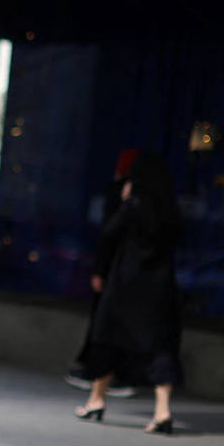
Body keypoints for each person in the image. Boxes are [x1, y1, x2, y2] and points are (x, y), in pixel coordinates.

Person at [72, 152, 183, 435]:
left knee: (108, 338)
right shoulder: (170, 210)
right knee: (160, 346)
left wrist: (124, 202)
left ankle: (96, 399)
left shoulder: (133, 205)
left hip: (125, 284)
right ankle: (162, 410)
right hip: (159, 287)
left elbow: (109, 232)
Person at [65, 148, 139, 398]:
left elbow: (110, 234)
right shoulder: (139, 198)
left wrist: (100, 269)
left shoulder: (127, 197)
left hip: (118, 272)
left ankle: (100, 375)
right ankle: (101, 374)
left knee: (106, 325)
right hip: (126, 273)